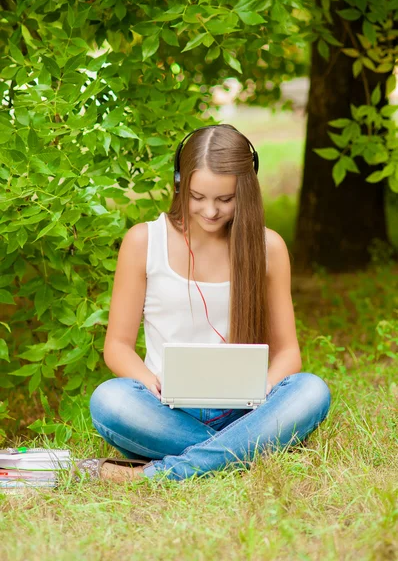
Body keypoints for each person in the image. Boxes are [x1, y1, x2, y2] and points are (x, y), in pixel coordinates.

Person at [78, 124, 331, 484]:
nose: (210, 211)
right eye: (197, 197)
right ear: (180, 183)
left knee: (311, 391)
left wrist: (262, 394)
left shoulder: (268, 247)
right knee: (109, 401)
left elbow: (289, 353)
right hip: (166, 410)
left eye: (225, 200)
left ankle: (159, 474)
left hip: (246, 411)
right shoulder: (143, 242)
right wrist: (150, 383)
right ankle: (248, 452)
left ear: (246, 191)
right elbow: (117, 347)